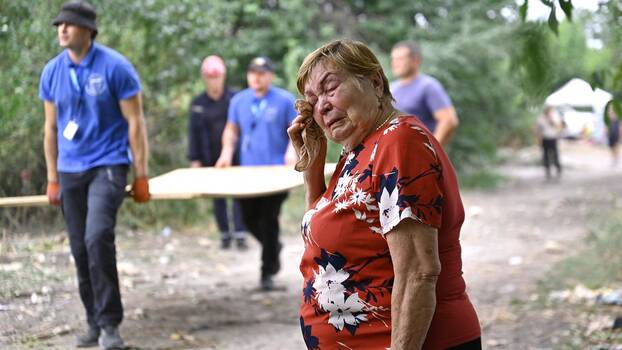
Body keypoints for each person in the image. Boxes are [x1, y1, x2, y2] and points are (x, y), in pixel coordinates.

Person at [289, 39, 481, 349]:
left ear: (375, 82)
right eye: (312, 99)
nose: (321, 106)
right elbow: (326, 241)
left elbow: (419, 270)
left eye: (330, 88)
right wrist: (312, 165)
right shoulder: (361, 149)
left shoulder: (398, 142)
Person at [40, 1, 150, 348]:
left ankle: (110, 325)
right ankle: (92, 322)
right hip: (69, 170)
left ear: (87, 29)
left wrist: (142, 173)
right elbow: (50, 128)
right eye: (59, 24)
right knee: (79, 247)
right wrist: (52, 176)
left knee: (96, 236)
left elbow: (136, 123)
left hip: (109, 164)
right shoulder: (52, 72)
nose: (62, 29)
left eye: (69, 24)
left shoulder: (115, 67)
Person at [215, 56, 298, 290]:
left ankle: (267, 273)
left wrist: (291, 151)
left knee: (269, 219)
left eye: (261, 73)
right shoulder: (239, 101)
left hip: (276, 173)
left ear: (270, 75)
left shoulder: (283, 100)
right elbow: (231, 130)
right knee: (249, 218)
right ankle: (273, 247)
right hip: (248, 173)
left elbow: (295, 131)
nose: (256, 77)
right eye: (252, 73)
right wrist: (226, 153)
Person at [188, 55, 247, 250]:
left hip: (236, 156)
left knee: (239, 194)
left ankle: (240, 233)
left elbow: (244, 127)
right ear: (204, 78)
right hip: (209, 156)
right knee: (218, 198)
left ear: (223, 76)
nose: (214, 81)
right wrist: (195, 159)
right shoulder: (198, 104)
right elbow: (193, 134)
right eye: (210, 77)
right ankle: (224, 234)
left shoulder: (235, 99)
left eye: (217, 77)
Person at [390, 40, 459, 146]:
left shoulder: (428, 86)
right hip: (395, 157)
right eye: (393, 59)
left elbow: (448, 120)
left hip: (417, 158)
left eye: (400, 59)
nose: (395, 63)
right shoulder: (391, 88)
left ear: (416, 60)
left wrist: (431, 150)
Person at [535, 105, 563, 179]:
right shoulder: (540, 119)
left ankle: (558, 168)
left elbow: (558, 127)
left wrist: (551, 120)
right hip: (545, 138)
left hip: (553, 138)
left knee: (555, 154)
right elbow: (537, 130)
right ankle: (547, 170)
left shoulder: (554, 117)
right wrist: (538, 140)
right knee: (546, 155)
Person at [606, 101, 620, 166]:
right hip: (611, 132)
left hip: (616, 131)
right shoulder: (608, 115)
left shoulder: (618, 115)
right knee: (611, 146)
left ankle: (616, 159)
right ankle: (614, 158)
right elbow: (607, 125)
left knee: (615, 145)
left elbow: (620, 125)